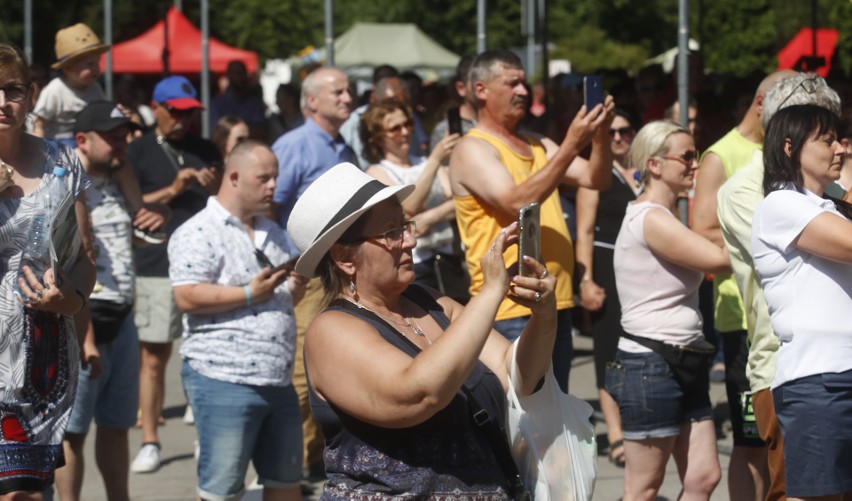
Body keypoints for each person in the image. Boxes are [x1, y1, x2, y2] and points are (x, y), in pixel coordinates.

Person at [286, 162, 557, 498]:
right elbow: (419, 394)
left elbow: (517, 376)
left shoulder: (429, 300)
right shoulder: (331, 331)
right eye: (391, 232)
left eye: (406, 225)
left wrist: (544, 314)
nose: (411, 240)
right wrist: (491, 292)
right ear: (344, 258)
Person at [449, 49, 614, 392]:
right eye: (512, 83)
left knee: (553, 420)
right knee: (520, 423)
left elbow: (597, 179)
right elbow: (518, 202)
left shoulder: (537, 144)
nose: (523, 91)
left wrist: (599, 134)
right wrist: (572, 143)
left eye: (523, 82)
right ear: (481, 90)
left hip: (555, 302)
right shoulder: (471, 148)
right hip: (511, 309)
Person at [716, 73, 841, 501]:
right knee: (795, 490)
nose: (839, 147)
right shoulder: (757, 192)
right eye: (825, 135)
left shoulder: (829, 193)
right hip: (791, 369)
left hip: (835, 368)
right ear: (787, 133)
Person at [169, 140, 306, 501]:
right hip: (223, 378)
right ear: (233, 177)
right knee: (222, 489)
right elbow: (186, 295)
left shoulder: (273, 232)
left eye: (275, 177)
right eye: (264, 178)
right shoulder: (198, 230)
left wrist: (297, 283)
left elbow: (283, 300)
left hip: (277, 379)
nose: (273, 186)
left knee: (286, 481)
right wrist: (248, 293)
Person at [607, 120, 730, 499]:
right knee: (644, 487)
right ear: (655, 164)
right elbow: (718, 259)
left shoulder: (666, 215)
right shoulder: (651, 219)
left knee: (703, 477)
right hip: (650, 364)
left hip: (683, 357)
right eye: (688, 157)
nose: (695, 165)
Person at [54, 101, 167, 501]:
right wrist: (82, 336)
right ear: (83, 139)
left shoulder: (121, 177)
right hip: (80, 319)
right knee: (73, 432)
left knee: (117, 425)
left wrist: (152, 220)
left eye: (125, 133)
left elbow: (130, 233)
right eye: (113, 135)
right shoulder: (64, 180)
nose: (123, 142)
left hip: (123, 314)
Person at [691, 70, 795, 501]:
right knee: (751, 443)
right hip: (741, 318)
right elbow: (700, 228)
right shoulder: (722, 155)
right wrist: (767, 236)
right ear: (762, 105)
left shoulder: (788, 151)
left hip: (783, 319)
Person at [0, 42, 94, 498]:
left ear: (31, 94)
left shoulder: (63, 162)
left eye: (12, 89)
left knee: (33, 491)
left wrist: (70, 300)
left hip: (45, 354)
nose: (2, 102)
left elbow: (83, 261)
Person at [752, 104, 852, 499]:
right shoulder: (781, 204)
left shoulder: (829, 205)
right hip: (819, 381)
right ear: (790, 147)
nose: (840, 149)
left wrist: (839, 192)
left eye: (840, 139)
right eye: (827, 141)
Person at [128, 75, 222, 474]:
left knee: (207, 356)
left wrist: (217, 187)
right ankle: (150, 439)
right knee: (153, 357)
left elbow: (225, 203)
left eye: (190, 113)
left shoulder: (206, 149)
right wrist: (173, 188)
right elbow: (129, 205)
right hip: (156, 265)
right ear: (158, 109)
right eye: (177, 113)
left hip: (208, 265)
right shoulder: (138, 150)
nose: (184, 121)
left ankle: (207, 436)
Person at [271, 65, 355, 478]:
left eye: (348, 90)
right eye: (337, 91)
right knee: (303, 373)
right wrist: (286, 267)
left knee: (340, 365)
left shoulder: (344, 148)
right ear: (311, 102)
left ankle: (324, 457)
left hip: (343, 271)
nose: (347, 97)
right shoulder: (294, 146)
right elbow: (270, 205)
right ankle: (300, 462)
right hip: (306, 274)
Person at [574, 108, 641, 469]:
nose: (618, 137)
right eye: (610, 132)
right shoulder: (594, 175)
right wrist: (585, 280)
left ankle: (638, 427)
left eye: (625, 130)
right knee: (608, 353)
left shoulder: (644, 170)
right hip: (607, 268)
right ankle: (615, 432)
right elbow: (583, 231)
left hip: (643, 273)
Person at [360, 99, 465, 300]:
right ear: (378, 138)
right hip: (416, 263)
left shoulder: (422, 162)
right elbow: (407, 207)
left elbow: (461, 201)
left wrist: (431, 217)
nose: (406, 132)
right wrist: (435, 160)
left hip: (448, 260)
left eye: (408, 124)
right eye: (395, 129)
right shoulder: (377, 172)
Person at [31, 23, 109, 145]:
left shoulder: (95, 88)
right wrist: (39, 147)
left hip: (88, 141)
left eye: (97, 63)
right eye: (90, 64)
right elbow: (39, 123)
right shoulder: (55, 90)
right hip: (59, 143)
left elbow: (103, 114)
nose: (97, 69)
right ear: (68, 68)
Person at [209, 61, 268, 141]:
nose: (239, 77)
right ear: (228, 75)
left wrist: (231, 129)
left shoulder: (255, 103)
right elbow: (216, 132)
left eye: (242, 73)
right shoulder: (217, 104)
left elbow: (261, 131)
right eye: (235, 73)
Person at [429, 54, 477, 149]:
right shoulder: (444, 130)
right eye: (477, 83)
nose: (484, 88)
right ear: (461, 88)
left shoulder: (502, 125)